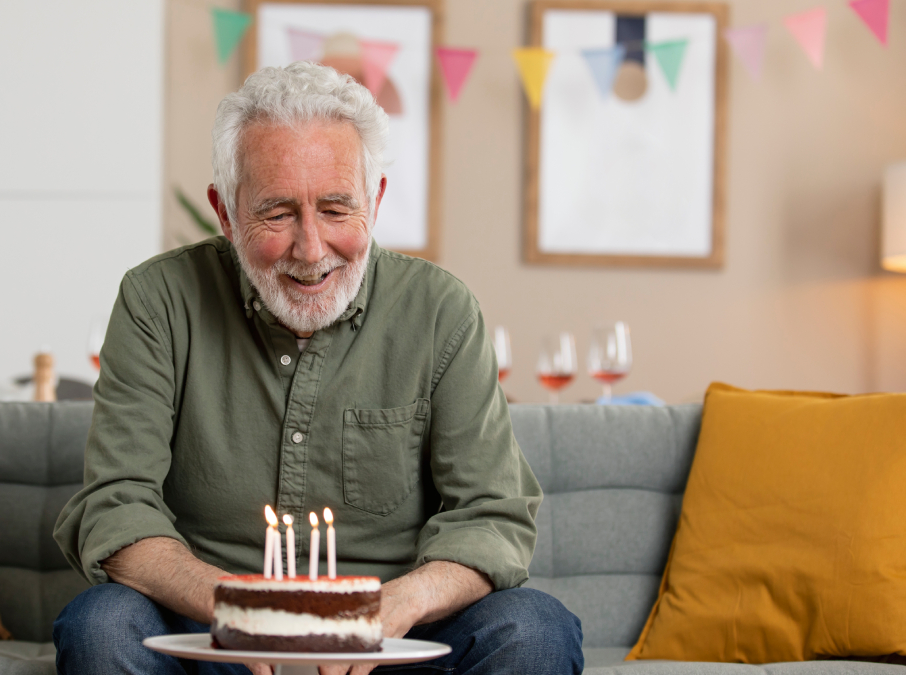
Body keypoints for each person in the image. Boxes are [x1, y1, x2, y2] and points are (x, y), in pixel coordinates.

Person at [52, 61, 584, 675]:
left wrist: (392, 608)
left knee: (536, 630)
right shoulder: (158, 301)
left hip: (393, 640)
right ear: (225, 212)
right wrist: (238, 609)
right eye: (277, 214)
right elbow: (118, 502)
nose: (310, 250)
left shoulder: (442, 311)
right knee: (99, 625)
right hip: (212, 630)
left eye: (336, 209)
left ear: (375, 199)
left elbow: (491, 514)